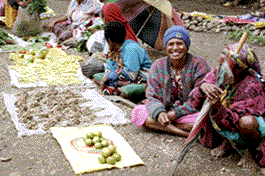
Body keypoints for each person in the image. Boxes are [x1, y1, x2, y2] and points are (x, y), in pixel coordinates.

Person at [189, 43, 265, 168]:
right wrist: (202, 88)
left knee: (246, 122)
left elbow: (234, 122)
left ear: (238, 68)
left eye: (226, 56)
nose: (220, 59)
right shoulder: (218, 72)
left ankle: (250, 152)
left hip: (251, 127)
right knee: (208, 101)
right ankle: (227, 143)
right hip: (227, 120)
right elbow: (193, 99)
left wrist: (219, 107)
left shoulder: (252, 85)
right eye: (222, 52)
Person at [131, 26, 210, 137]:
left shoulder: (199, 64)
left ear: (187, 46)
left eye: (180, 43)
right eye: (171, 44)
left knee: (206, 120)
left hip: (190, 113)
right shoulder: (158, 66)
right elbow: (152, 95)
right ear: (166, 47)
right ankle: (182, 132)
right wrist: (159, 113)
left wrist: (175, 114)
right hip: (166, 111)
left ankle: (165, 127)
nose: (175, 48)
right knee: (138, 111)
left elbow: (198, 98)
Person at [93, 20, 152, 98]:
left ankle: (117, 87)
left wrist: (109, 77)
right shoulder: (113, 51)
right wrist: (110, 77)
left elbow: (132, 75)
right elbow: (109, 68)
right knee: (96, 77)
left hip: (141, 80)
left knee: (124, 92)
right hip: (121, 80)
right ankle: (117, 85)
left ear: (109, 41)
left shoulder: (131, 48)